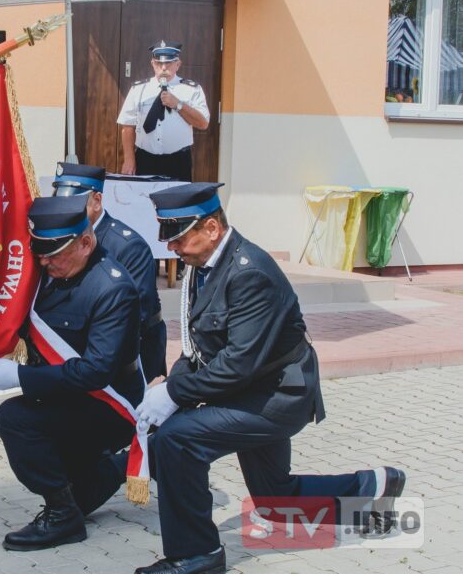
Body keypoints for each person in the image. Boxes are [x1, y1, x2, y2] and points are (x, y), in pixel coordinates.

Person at [121, 182, 407, 574]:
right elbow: (198, 348)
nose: (171, 246)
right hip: (250, 390)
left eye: (179, 237)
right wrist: (170, 387)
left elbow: (237, 363)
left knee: (178, 440)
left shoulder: (249, 272)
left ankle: (196, 554)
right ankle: (374, 488)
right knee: (274, 500)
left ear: (211, 228)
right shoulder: (204, 266)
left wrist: (174, 393)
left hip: (278, 397)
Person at [0, 194, 143, 551]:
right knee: (79, 487)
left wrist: (20, 377)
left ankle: (61, 516)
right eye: (39, 252)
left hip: (108, 403)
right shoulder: (49, 272)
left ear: (85, 243)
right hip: (64, 393)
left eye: (53, 253)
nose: (43, 261)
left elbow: (96, 372)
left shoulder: (112, 288)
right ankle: (107, 471)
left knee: (16, 418)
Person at [52, 162, 166, 380]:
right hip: (80, 350)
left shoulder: (127, 246)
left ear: (97, 201)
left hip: (129, 358)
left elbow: (136, 316)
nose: (68, 212)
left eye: (76, 205)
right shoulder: (65, 238)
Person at [117, 41, 210, 181]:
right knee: (144, 195)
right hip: (145, 159)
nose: (164, 67)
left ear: (178, 64)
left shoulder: (192, 89)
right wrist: (129, 159)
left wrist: (178, 105)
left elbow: (203, 123)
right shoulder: (138, 89)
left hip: (178, 161)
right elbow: (127, 126)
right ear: (152, 64)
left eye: (169, 63)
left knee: (178, 196)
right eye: (159, 63)